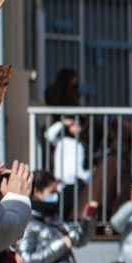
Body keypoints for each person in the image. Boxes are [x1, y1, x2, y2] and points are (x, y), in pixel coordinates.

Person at [44, 69, 90, 220]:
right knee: (61, 206)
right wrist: (62, 123)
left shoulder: (80, 145)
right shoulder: (62, 141)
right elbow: (49, 135)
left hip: (75, 181)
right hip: (63, 181)